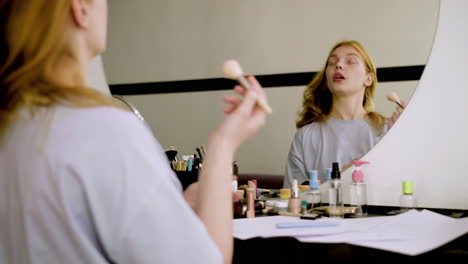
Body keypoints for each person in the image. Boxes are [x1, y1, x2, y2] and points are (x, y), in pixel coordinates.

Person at [0, 0, 267, 263]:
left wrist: (169, 213)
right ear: (80, 9)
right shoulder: (103, 129)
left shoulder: (14, 128)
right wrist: (223, 145)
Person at [283, 40, 405, 188]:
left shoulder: (388, 130)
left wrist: (400, 141)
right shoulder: (305, 136)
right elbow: (292, 198)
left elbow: (399, 185)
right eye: (332, 62)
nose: (338, 65)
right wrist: (342, 179)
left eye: (351, 61)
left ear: (369, 79)